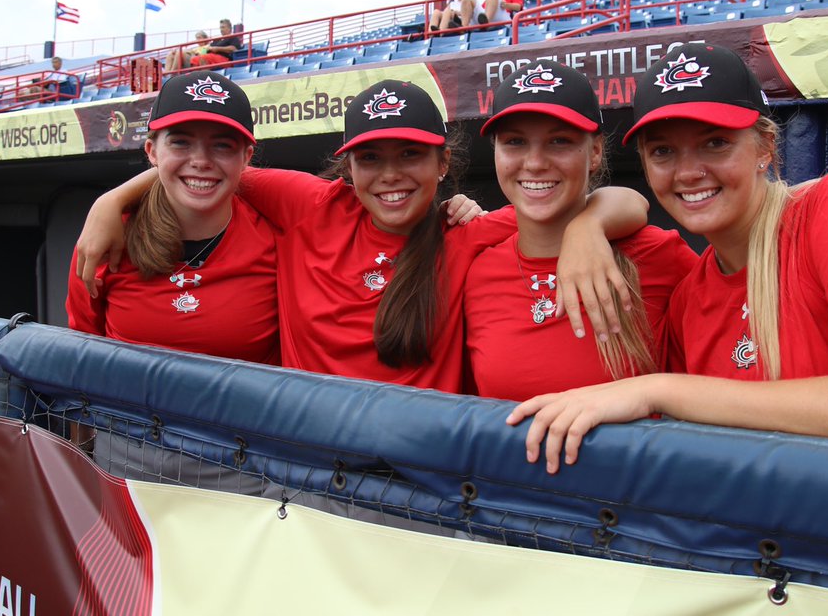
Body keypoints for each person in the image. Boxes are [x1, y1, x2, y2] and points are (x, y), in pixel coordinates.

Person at [509, 44, 828, 472]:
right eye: (664, 151)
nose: (689, 171)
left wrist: (658, 389)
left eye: (716, 143)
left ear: (766, 147)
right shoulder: (691, 297)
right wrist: (586, 223)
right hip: (784, 554)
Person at [75, 79, 645, 392]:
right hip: (305, 470)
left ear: (444, 165)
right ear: (347, 167)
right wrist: (113, 199)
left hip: (416, 482)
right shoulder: (309, 204)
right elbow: (206, 167)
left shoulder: (461, 234)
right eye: (370, 157)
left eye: (410, 156)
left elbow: (621, 202)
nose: (390, 174)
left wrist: (588, 224)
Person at [465, 61, 698, 402]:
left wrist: (588, 227)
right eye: (515, 142)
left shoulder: (658, 254)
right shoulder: (475, 271)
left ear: (595, 152)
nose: (534, 163)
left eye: (559, 141)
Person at [66, 71, 280, 366]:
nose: (201, 161)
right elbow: (82, 349)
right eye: (180, 142)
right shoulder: (107, 236)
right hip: (127, 411)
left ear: (246, 157)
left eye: (222, 145)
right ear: (152, 152)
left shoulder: (277, 241)